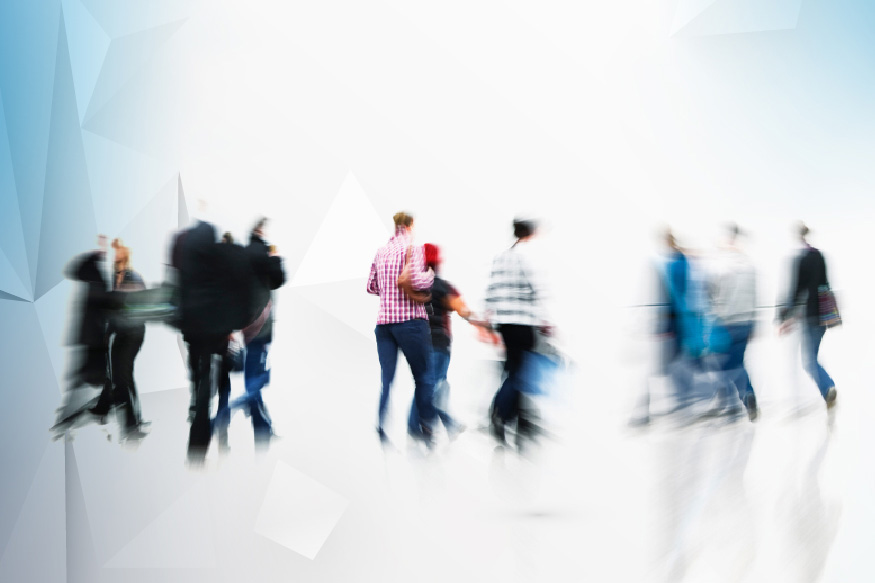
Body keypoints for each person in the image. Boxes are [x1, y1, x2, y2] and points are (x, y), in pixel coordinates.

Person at [367, 212, 436, 446]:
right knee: (424, 377)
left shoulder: (381, 251)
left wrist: (388, 294)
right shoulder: (412, 249)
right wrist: (430, 275)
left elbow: (371, 286)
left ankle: (381, 423)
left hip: (384, 324)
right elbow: (418, 281)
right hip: (410, 322)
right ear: (409, 225)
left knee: (387, 379)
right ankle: (425, 425)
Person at [484, 217, 551, 447]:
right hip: (524, 322)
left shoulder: (501, 257)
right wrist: (548, 320)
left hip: (504, 323)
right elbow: (539, 289)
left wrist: (487, 322)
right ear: (530, 233)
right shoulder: (529, 255)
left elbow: (491, 291)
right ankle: (499, 413)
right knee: (520, 373)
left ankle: (521, 419)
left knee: (514, 368)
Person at [406, 243, 476, 440]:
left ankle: (420, 426)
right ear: (437, 263)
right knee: (435, 386)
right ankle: (441, 424)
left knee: (425, 385)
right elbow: (462, 310)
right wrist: (480, 321)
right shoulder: (443, 287)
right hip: (438, 344)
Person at [227, 218, 286, 446]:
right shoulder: (264, 252)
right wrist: (276, 258)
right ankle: (239, 407)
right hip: (262, 323)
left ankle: (263, 430)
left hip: (247, 323)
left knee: (255, 372)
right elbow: (278, 280)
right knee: (257, 377)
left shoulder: (242, 255)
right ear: (260, 230)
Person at [91, 239, 149, 438]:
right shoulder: (115, 279)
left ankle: (132, 425)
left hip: (133, 333)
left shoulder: (133, 277)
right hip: (119, 333)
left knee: (121, 375)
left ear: (125, 258)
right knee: (119, 373)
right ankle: (105, 407)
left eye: (119, 255)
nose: (116, 259)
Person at [778, 222, 837, 408]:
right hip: (823, 314)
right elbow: (825, 285)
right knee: (812, 357)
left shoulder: (800, 258)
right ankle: (827, 387)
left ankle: (828, 387)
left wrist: (785, 317)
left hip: (809, 315)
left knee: (809, 361)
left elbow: (796, 290)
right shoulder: (819, 256)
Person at [708, 224, 759, 421]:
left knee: (724, 364)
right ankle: (744, 396)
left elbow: (712, 294)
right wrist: (755, 324)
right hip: (746, 321)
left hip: (726, 322)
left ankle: (735, 400)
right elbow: (755, 296)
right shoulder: (750, 266)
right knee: (738, 362)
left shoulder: (720, 267)